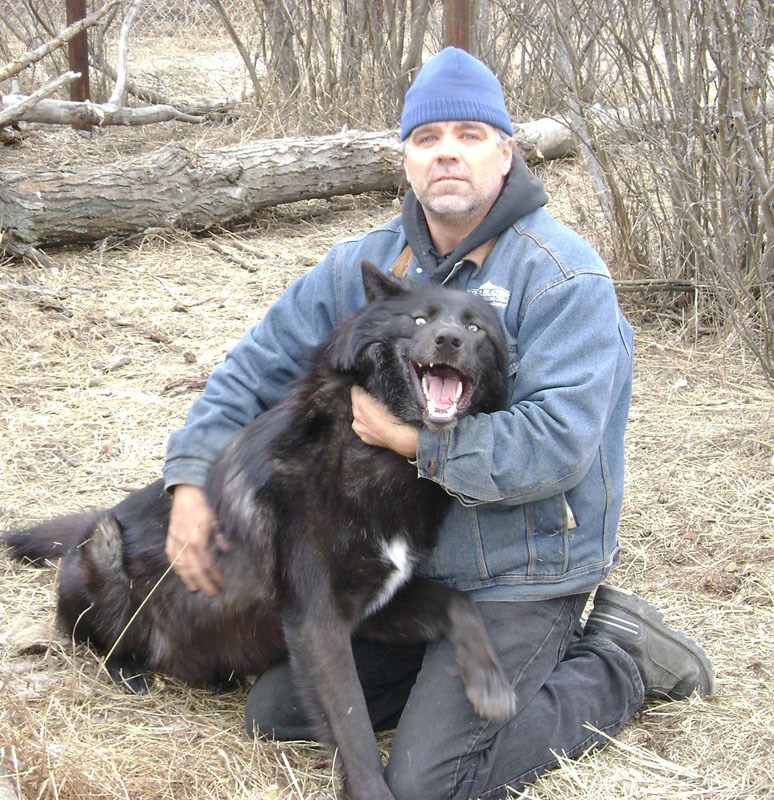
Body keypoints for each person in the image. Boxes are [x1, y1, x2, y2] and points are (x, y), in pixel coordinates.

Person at [162, 47, 714, 798]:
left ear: (507, 152)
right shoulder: (362, 265)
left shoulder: (560, 277)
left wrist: (411, 442)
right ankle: (442, 683)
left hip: (522, 571)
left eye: (469, 134)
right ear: (406, 159)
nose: (446, 151)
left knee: (430, 786)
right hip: (416, 574)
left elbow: (556, 446)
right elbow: (251, 370)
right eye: (427, 139)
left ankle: (621, 661)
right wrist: (190, 480)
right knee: (279, 710)